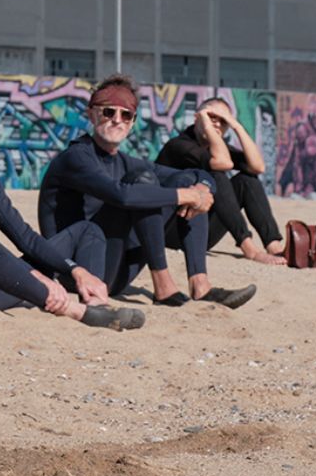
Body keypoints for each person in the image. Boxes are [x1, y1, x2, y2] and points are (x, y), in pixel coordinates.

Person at [0, 73, 144, 329]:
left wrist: (74, 271)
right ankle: (76, 311)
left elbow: (25, 237)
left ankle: (97, 303)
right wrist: (36, 277)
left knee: (86, 231)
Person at [39, 76, 254, 311]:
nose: (117, 120)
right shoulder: (77, 157)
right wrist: (186, 196)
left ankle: (200, 283)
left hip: (116, 271)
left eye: (126, 115)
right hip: (79, 272)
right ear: (91, 114)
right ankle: (163, 285)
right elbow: (121, 195)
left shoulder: (123, 161)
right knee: (146, 184)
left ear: (132, 122)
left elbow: (195, 174)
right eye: (108, 112)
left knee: (183, 182)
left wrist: (202, 188)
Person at [156, 96, 286, 266]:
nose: (216, 124)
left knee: (248, 180)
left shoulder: (216, 148)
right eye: (212, 118)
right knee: (217, 176)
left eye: (222, 121)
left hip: (200, 231)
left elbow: (258, 167)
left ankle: (273, 245)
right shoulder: (179, 145)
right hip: (171, 230)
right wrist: (206, 123)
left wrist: (236, 125)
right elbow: (224, 163)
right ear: (197, 118)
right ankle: (249, 249)